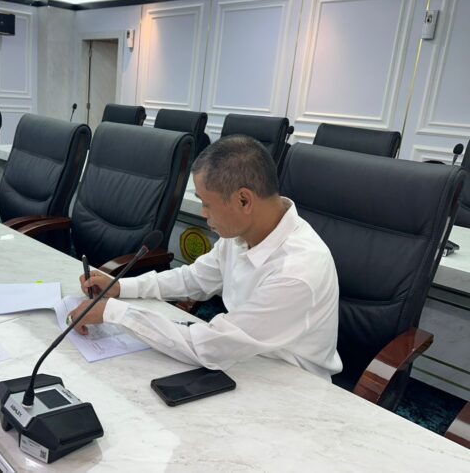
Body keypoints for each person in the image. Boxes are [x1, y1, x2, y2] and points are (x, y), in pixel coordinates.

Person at [68, 135, 343, 381]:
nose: (202, 213)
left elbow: (209, 346)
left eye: (206, 203)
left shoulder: (296, 271)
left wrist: (116, 313)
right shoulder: (242, 233)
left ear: (244, 200)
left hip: (291, 389)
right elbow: (195, 278)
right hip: (246, 365)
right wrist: (121, 287)